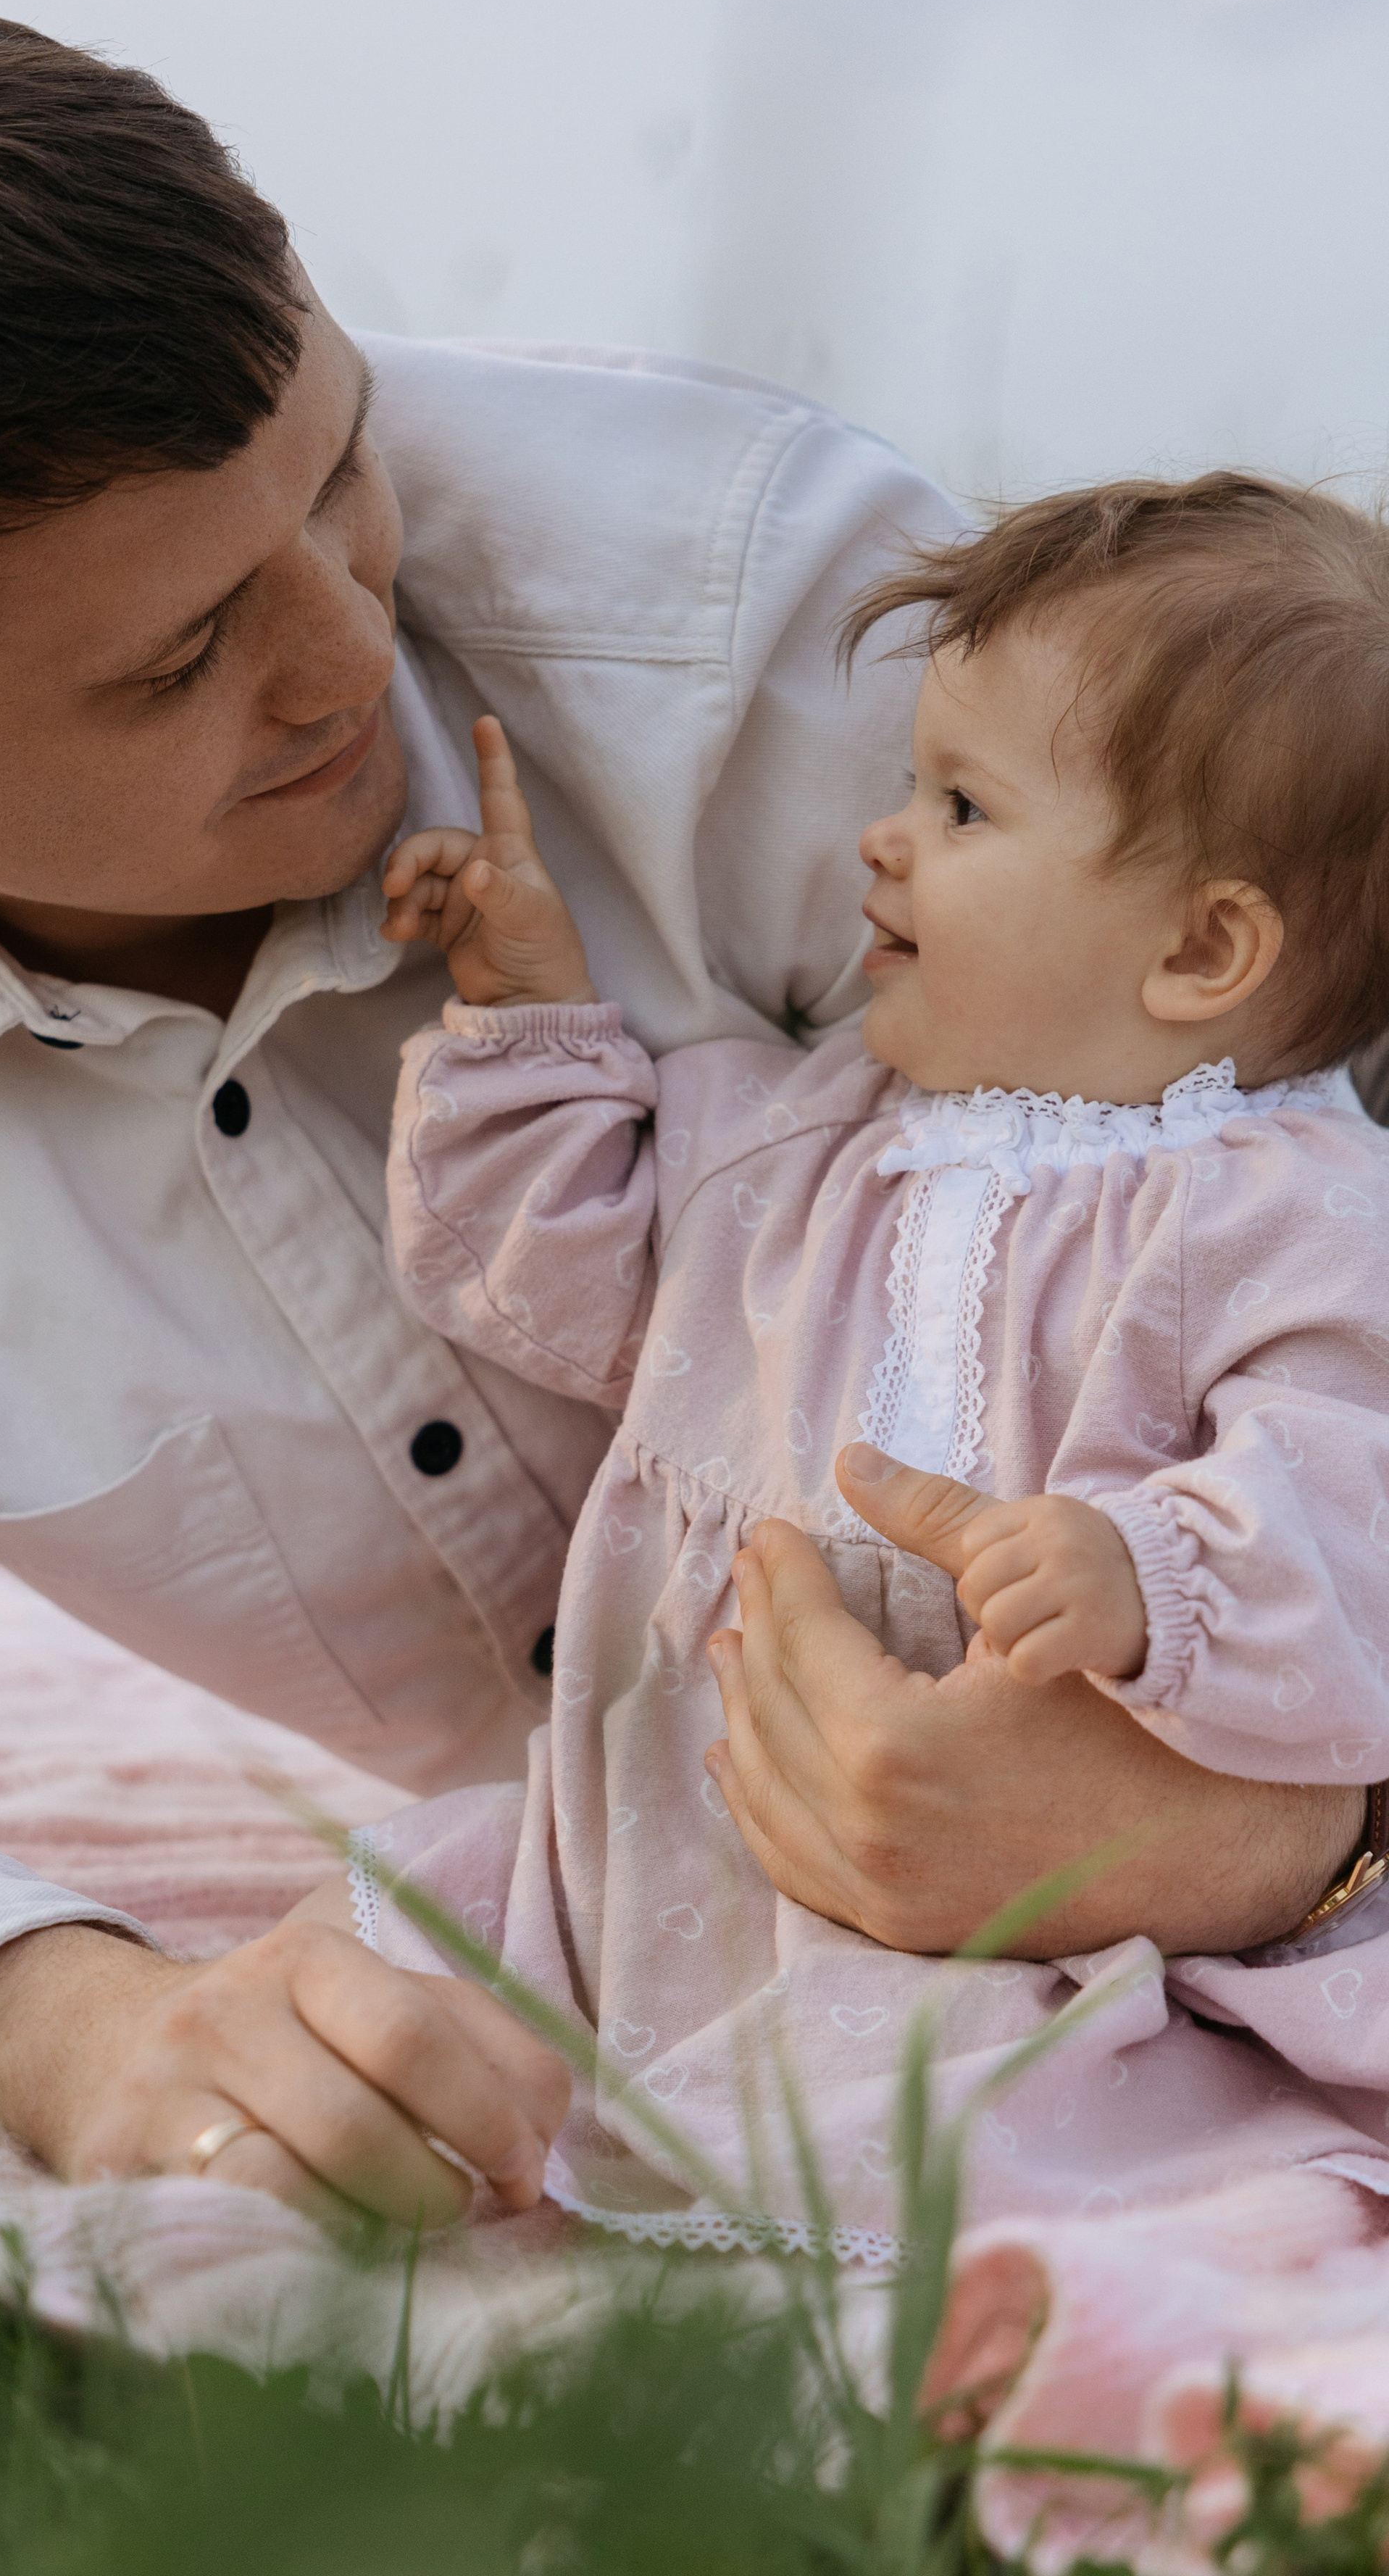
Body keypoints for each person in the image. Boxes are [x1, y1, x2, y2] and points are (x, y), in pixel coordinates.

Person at [0, 0, 1361, 2230]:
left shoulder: (774, 628)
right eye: (180, 658)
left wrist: (1275, 1832)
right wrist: (60, 2021)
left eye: (342, 475)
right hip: (584, 1948)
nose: (349, 655)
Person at [332, 475, 1389, 2250]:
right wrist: (521, 1010)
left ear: (1202, 948)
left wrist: (1148, 1569)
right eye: (912, 785)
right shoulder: (806, 1131)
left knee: (974, 2140)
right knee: (391, 1988)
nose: (879, 843)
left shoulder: (1290, 1211)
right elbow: (557, 1284)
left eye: (960, 805)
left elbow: (1346, 1490)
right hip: (670, 1845)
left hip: (1028, 1896)